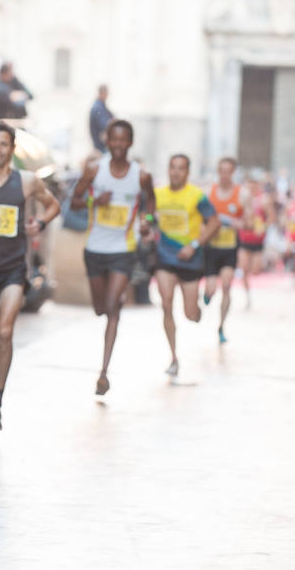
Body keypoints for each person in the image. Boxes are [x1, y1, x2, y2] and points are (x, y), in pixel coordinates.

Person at [0, 121, 60, 429]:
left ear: (12, 148)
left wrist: (40, 223)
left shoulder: (26, 181)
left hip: (12, 270)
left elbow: (53, 205)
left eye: (3, 144)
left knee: (4, 333)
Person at [71, 119, 155, 395]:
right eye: (114, 140)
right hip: (95, 249)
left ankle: (103, 373)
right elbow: (75, 201)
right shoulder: (95, 170)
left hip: (123, 249)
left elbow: (150, 202)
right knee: (100, 309)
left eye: (124, 140)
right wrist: (96, 202)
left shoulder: (141, 175)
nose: (119, 145)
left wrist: (147, 220)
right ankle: (113, 301)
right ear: (107, 142)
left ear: (130, 143)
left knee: (112, 308)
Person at [153, 154, 220, 378]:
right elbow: (151, 217)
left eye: (181, 169)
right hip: (165, 259)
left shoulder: (196, 196)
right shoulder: (158, 194)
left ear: (188, 172)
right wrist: (148, 223)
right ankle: (173, 357)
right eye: (172, 167)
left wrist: (194, 245)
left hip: (190, 260)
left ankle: (197, 310)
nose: (176, 172)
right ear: (168, 169)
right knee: (166, 303)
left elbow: (214, 223)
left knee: (190, 314)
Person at [201, 157, 243, 343]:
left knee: (226, 286)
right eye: (221, 170)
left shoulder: (242, 194)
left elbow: (249, 222)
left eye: (228, 171)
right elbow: (200, 217)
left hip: (229, 248)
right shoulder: (209, 192)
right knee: (211, 289)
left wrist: (235, 222)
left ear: (233, 172)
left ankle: (221, 326)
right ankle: (207, 294)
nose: (224, 175)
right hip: (212, 248)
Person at [237, 171, 271, 308]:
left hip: (257, 241)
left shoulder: (264, 200)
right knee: (243, 269)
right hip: (244, 239)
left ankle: (255, 294)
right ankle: (247, 296)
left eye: (253, 184)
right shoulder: (241, 199)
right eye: (248, 184)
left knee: (256, 270)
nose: (251, 187)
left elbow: (271, 217)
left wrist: (263, 228)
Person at [89, 85, 114, 153]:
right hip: (101, 147)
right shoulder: (98, 108)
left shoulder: (101, 107)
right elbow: (105, 125)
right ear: (103, 93)